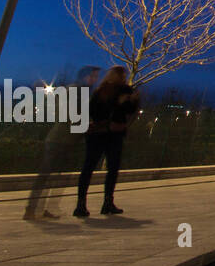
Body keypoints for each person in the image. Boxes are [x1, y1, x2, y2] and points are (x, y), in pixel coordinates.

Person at [24, 66, 101, 220]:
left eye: (96, 76)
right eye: (92, 76)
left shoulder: (81, 92)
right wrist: (87, 124)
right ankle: (32, 208)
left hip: (68, 139)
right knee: (47, 175)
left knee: (56, 176)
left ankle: (44, 208)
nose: (95, 79)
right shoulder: (75, 91)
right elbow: (69, 113)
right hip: (60, 138)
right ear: (84, 77)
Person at [74, 66, 140, 216]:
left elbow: (91, 111)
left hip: (98, 133)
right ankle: (107, 202)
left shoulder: (100, 90)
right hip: (113, 134)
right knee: (111, 169)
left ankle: (81, 204)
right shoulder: (123, 91)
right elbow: (128, 112)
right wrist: (125, 102)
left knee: (89, 167)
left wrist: (130, 101)